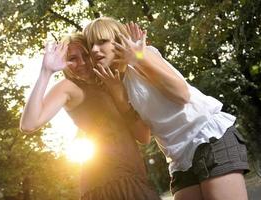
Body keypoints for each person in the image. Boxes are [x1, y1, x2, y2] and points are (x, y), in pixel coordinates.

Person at [83, 17, 250, 200]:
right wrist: (118, 93)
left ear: (117, 40)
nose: (94, 50)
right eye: (91, 45)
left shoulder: (144, 55)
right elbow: (143, 136)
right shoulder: (115, 84)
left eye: (101, 42)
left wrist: (139, 59)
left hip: (207, 136)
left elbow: (182, 94)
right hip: (179, 157)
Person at [20, 33, 161, 200]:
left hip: (136, 179)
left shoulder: (112, 82)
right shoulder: (70, 87)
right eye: (72, 58)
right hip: (107, 184)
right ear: (64, 62)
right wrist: (46, 71)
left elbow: (144, 137)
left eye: (85, 55)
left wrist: (120, 93)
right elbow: (28, 124)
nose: (81, 63)